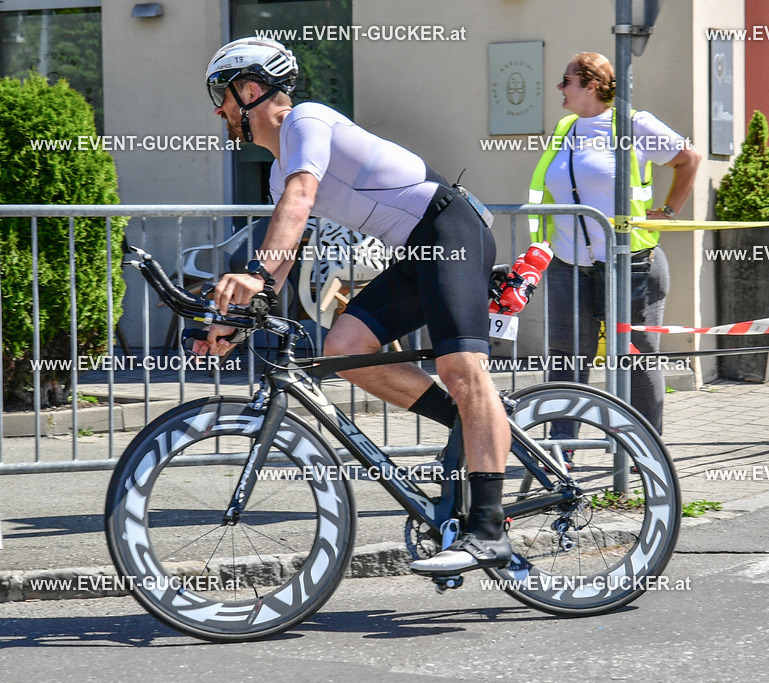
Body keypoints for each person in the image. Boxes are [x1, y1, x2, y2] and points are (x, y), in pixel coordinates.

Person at [195, 37, 511, 574]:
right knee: (345, 347)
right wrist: (231, 322)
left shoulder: (307, 122)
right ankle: (466, 421)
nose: (220, 110)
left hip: (451, 226)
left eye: (222, 96)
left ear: (250, 90)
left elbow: (301, 202)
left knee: (460, 367)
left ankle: (488, 529)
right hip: (417, 250)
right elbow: (282, 258)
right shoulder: (278, 172)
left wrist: (250, 275)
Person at [528, 52, 700, 450]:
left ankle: (646, 453)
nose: (559, 88)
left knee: (635, 359)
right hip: (568, 263)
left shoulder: (633, 124)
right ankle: (560, 452)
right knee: (565, 360)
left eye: (566, 80)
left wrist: (670, 211)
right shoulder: (565, 128)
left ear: (591, 84)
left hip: (631, 264)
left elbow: (688, 158)